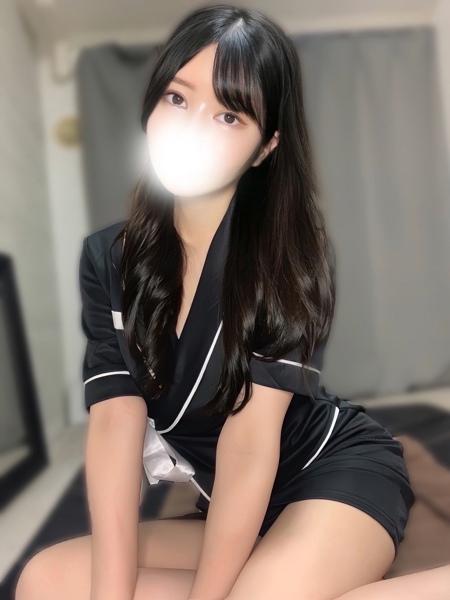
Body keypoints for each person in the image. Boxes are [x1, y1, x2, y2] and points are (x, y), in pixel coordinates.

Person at [16, 4, 450, 600]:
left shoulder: (288, 253)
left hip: (330, 477)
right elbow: (116, 424)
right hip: (231, 501)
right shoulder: (107, 258)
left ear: (265, 147)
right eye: (177, 98)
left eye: (228, 115)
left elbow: (248, 445)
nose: (192, 128)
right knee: (46, 581)